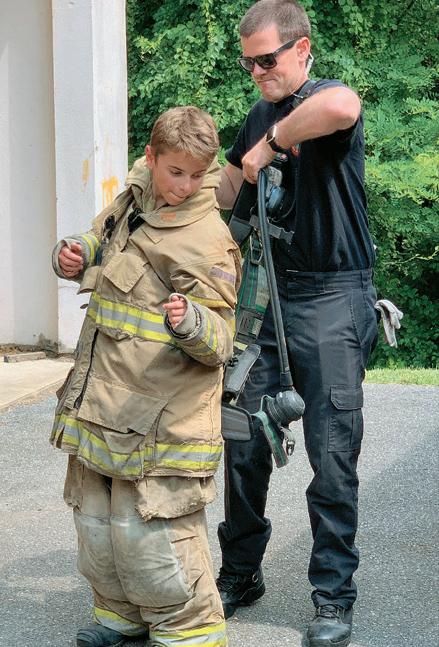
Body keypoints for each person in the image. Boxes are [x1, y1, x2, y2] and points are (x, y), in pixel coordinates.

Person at [215, 2, 378, 646]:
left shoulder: (319, 100)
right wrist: (168, 174)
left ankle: (332, 596)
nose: (257, 72)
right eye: (247, 63)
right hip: (268, 299)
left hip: (334, 296)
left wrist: (274, 143)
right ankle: (240, 571)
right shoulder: (257, 114)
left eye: (267, 59)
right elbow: (226, 190)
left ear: (301, 49)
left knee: (331, 453)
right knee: (242, 439)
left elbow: (342, 107)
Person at [50, 105, 241, 647]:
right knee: (98, 522)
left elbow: (221, 340)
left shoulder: (207, 238)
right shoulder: (134, 198)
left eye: (197, 175)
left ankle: (190, 632)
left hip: (164, 418)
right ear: (151, 158)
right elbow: (100, 238)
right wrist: (74, 254)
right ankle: (120, 616)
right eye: (175, 172)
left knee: (153, 532)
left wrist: (192, 321)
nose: (185, 186)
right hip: (104, 401)